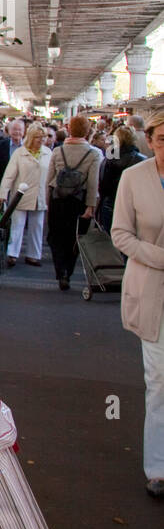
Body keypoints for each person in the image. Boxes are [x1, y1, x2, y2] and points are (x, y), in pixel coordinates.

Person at [109, 109, 164, 498]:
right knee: (159, 382)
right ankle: (158, 468)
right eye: (162, 139)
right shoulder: (133, 178)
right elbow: (120, 235)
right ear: (149, 140)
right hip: (151, 291)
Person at [45, 115, 102, 291]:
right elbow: (93, 182)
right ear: (87, 131)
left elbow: (49, 179)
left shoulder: (57, 151)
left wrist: (48, 202)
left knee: (56, 236)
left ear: (69, 129)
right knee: (75, 238)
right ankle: (68, 271)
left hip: (58, 200)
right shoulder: (93, 153)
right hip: (79, 201)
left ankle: (60, 269)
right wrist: (91, 206)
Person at [0, 124, 50, 268]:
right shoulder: (20, 153)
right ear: (31, 138)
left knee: (37, 226)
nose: (41, 140)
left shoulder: (47, 153)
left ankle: (34, 255)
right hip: (21, 195)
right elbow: (9, 176)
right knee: (17, 225)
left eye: (43, 137)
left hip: (40, 195)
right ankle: (12, 254)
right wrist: (3, 193)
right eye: (38, 137)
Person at [98, 124, 146, 230]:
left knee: (110, 240)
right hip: (133, 207)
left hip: (109, 205)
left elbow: (102, 186)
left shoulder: (108, 159)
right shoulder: (141, 160)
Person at [0, 119, 26, 204]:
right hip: (2, 186)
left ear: (24, 132)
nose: (17, 132)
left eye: (19, 130)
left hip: (20, 188)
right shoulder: (0, 146)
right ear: (9, 131)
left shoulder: (27, 147)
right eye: (14, 129)